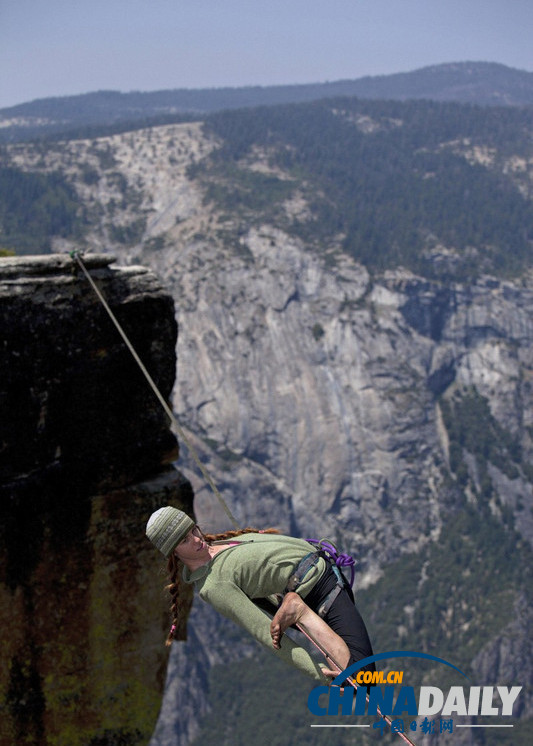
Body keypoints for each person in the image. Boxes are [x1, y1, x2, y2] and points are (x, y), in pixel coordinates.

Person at [146, 506, 375, 684]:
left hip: (322, 580)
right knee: (359, 681)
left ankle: (299, 610)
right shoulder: (213, 586)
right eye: (185, 540)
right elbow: (263, 630)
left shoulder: (220, 544)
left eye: (193, 530)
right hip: (320, 587)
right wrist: (316, 671)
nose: (197, 539)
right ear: (174, 553)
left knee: (359, 681)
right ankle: (299, 611)